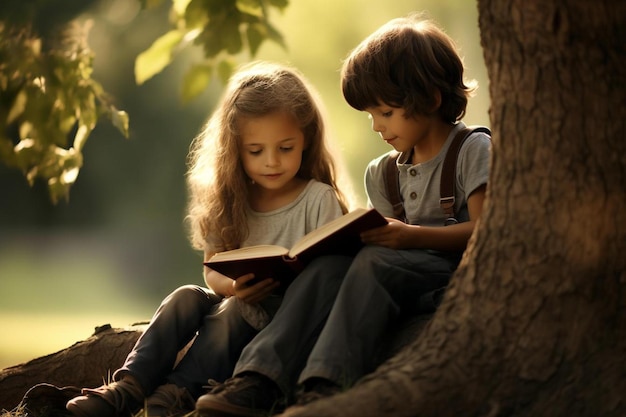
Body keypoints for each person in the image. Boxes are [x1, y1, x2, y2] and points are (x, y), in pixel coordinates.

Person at [195, 13, 491, 416]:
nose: (376, 126)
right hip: (395, 282)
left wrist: (411, 236)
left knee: (374, 261)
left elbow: (489, 233)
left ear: (431, 99)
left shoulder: (472, 151)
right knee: (329, 265)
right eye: (370, 115)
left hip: (451, 279)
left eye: (385, 113)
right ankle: (257, 380)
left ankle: (324, 385)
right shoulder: (382, 173)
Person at [65, 60, 352, 417]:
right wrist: (234, 287)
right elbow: (212, 272)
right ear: (236, 149)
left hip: (282, 323)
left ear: (306, 140)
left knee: (232, 312)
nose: (272, 162)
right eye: (256, 151)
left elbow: (332, 271)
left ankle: (174, 394)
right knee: (185, 296)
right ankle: (126, 387)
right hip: (236, 299)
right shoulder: (231, 198)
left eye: (286, 148)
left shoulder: (318, 198)